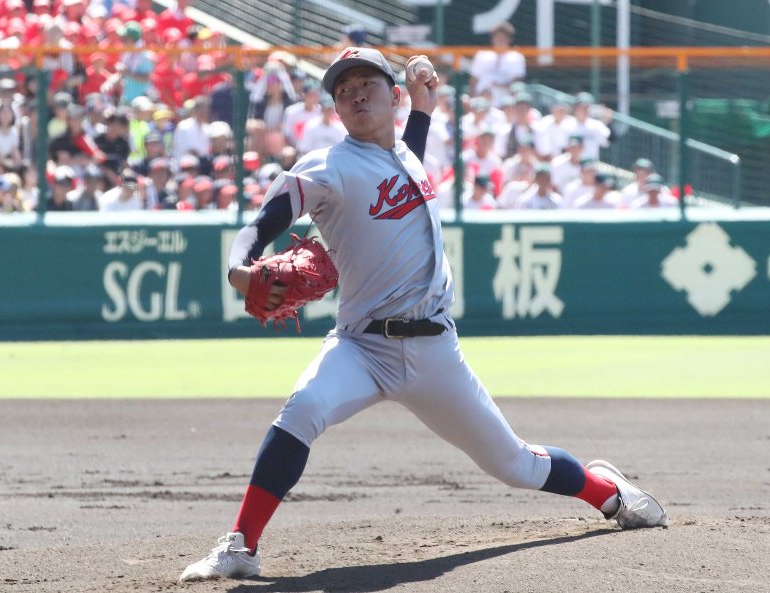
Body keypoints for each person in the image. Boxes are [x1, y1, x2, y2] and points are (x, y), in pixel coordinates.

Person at [179, 48, 669, 583]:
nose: (355, 95)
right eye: (344, 91)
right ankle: (241, 547)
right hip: (361, 347)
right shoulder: (324, 167)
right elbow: (258, 226)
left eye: (367, 84)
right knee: (300, 412)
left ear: (392, 97)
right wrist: (236, 270)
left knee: (514, 465)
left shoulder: (407, 156)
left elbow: (403, 155)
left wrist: (423, 109)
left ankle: (609, 494)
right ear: (337, 110)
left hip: (436, 352)